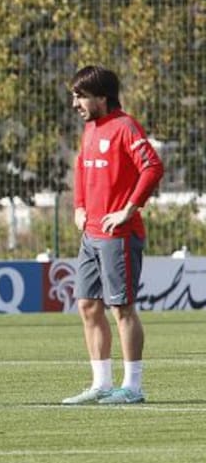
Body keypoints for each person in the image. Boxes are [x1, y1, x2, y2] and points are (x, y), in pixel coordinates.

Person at [62, 65, 163, 405]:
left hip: (118, 235)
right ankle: (101, 384)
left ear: (102, 98)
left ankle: (132, 386)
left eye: (81, 96)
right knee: (88, 305)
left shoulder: (124, 126)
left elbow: (152, 167)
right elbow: (80, 169)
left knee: (122, 308)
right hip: (90, 234)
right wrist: (78, 206)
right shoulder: (90, 129)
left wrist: (129, 209)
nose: (75, 103)